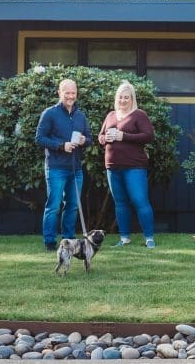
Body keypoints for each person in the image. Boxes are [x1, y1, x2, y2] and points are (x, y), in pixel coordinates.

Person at [98, 80, 156, 248]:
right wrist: (105, 139)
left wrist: (124, 136)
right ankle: (124, 238)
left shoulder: (139, 115)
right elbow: (100, 136)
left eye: (126, 97)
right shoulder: (110, 115)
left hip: (134, 167)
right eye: (120, 97)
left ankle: (149, 238)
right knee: (120, 202)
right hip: (113, 166)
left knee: (140, 201)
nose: (123, 100)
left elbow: (148, 136)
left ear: (132, 99)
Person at [35, 79, 91, 251]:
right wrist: (61, 145)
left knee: (72, 206)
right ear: (60, 93)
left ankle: (69, 241)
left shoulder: (80, 115)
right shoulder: (50, 113)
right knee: (53, 206)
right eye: (67, 93)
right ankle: (50, 243)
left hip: (75, 169)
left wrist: (84, 141)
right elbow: (40, 138)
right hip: (56, 168)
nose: (71, 96)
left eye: (73, 93)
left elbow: (89, 139)